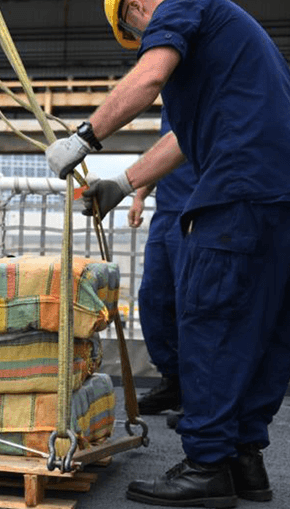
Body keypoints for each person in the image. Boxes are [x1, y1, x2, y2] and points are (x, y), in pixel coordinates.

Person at [45, 0, 290, 507]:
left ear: (136, 9)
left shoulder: (181, 6)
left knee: (210, 320)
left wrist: (84, 137)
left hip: (241, 188)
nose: (144, 42)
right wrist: (122, 184)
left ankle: (205, 464)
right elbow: (181, 138)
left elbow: (149, 78)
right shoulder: (227, 36)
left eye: (135, 36)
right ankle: (244, 459)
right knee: (263, 326)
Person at [128, 110, 196, 421]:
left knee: (191, 303)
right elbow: (165, 152)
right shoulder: (171, 104)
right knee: (152, 298)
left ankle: (197, 391)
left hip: (195, 212)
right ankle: (173, 380)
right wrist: (140, 194)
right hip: (165, 213)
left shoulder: (207, 92)